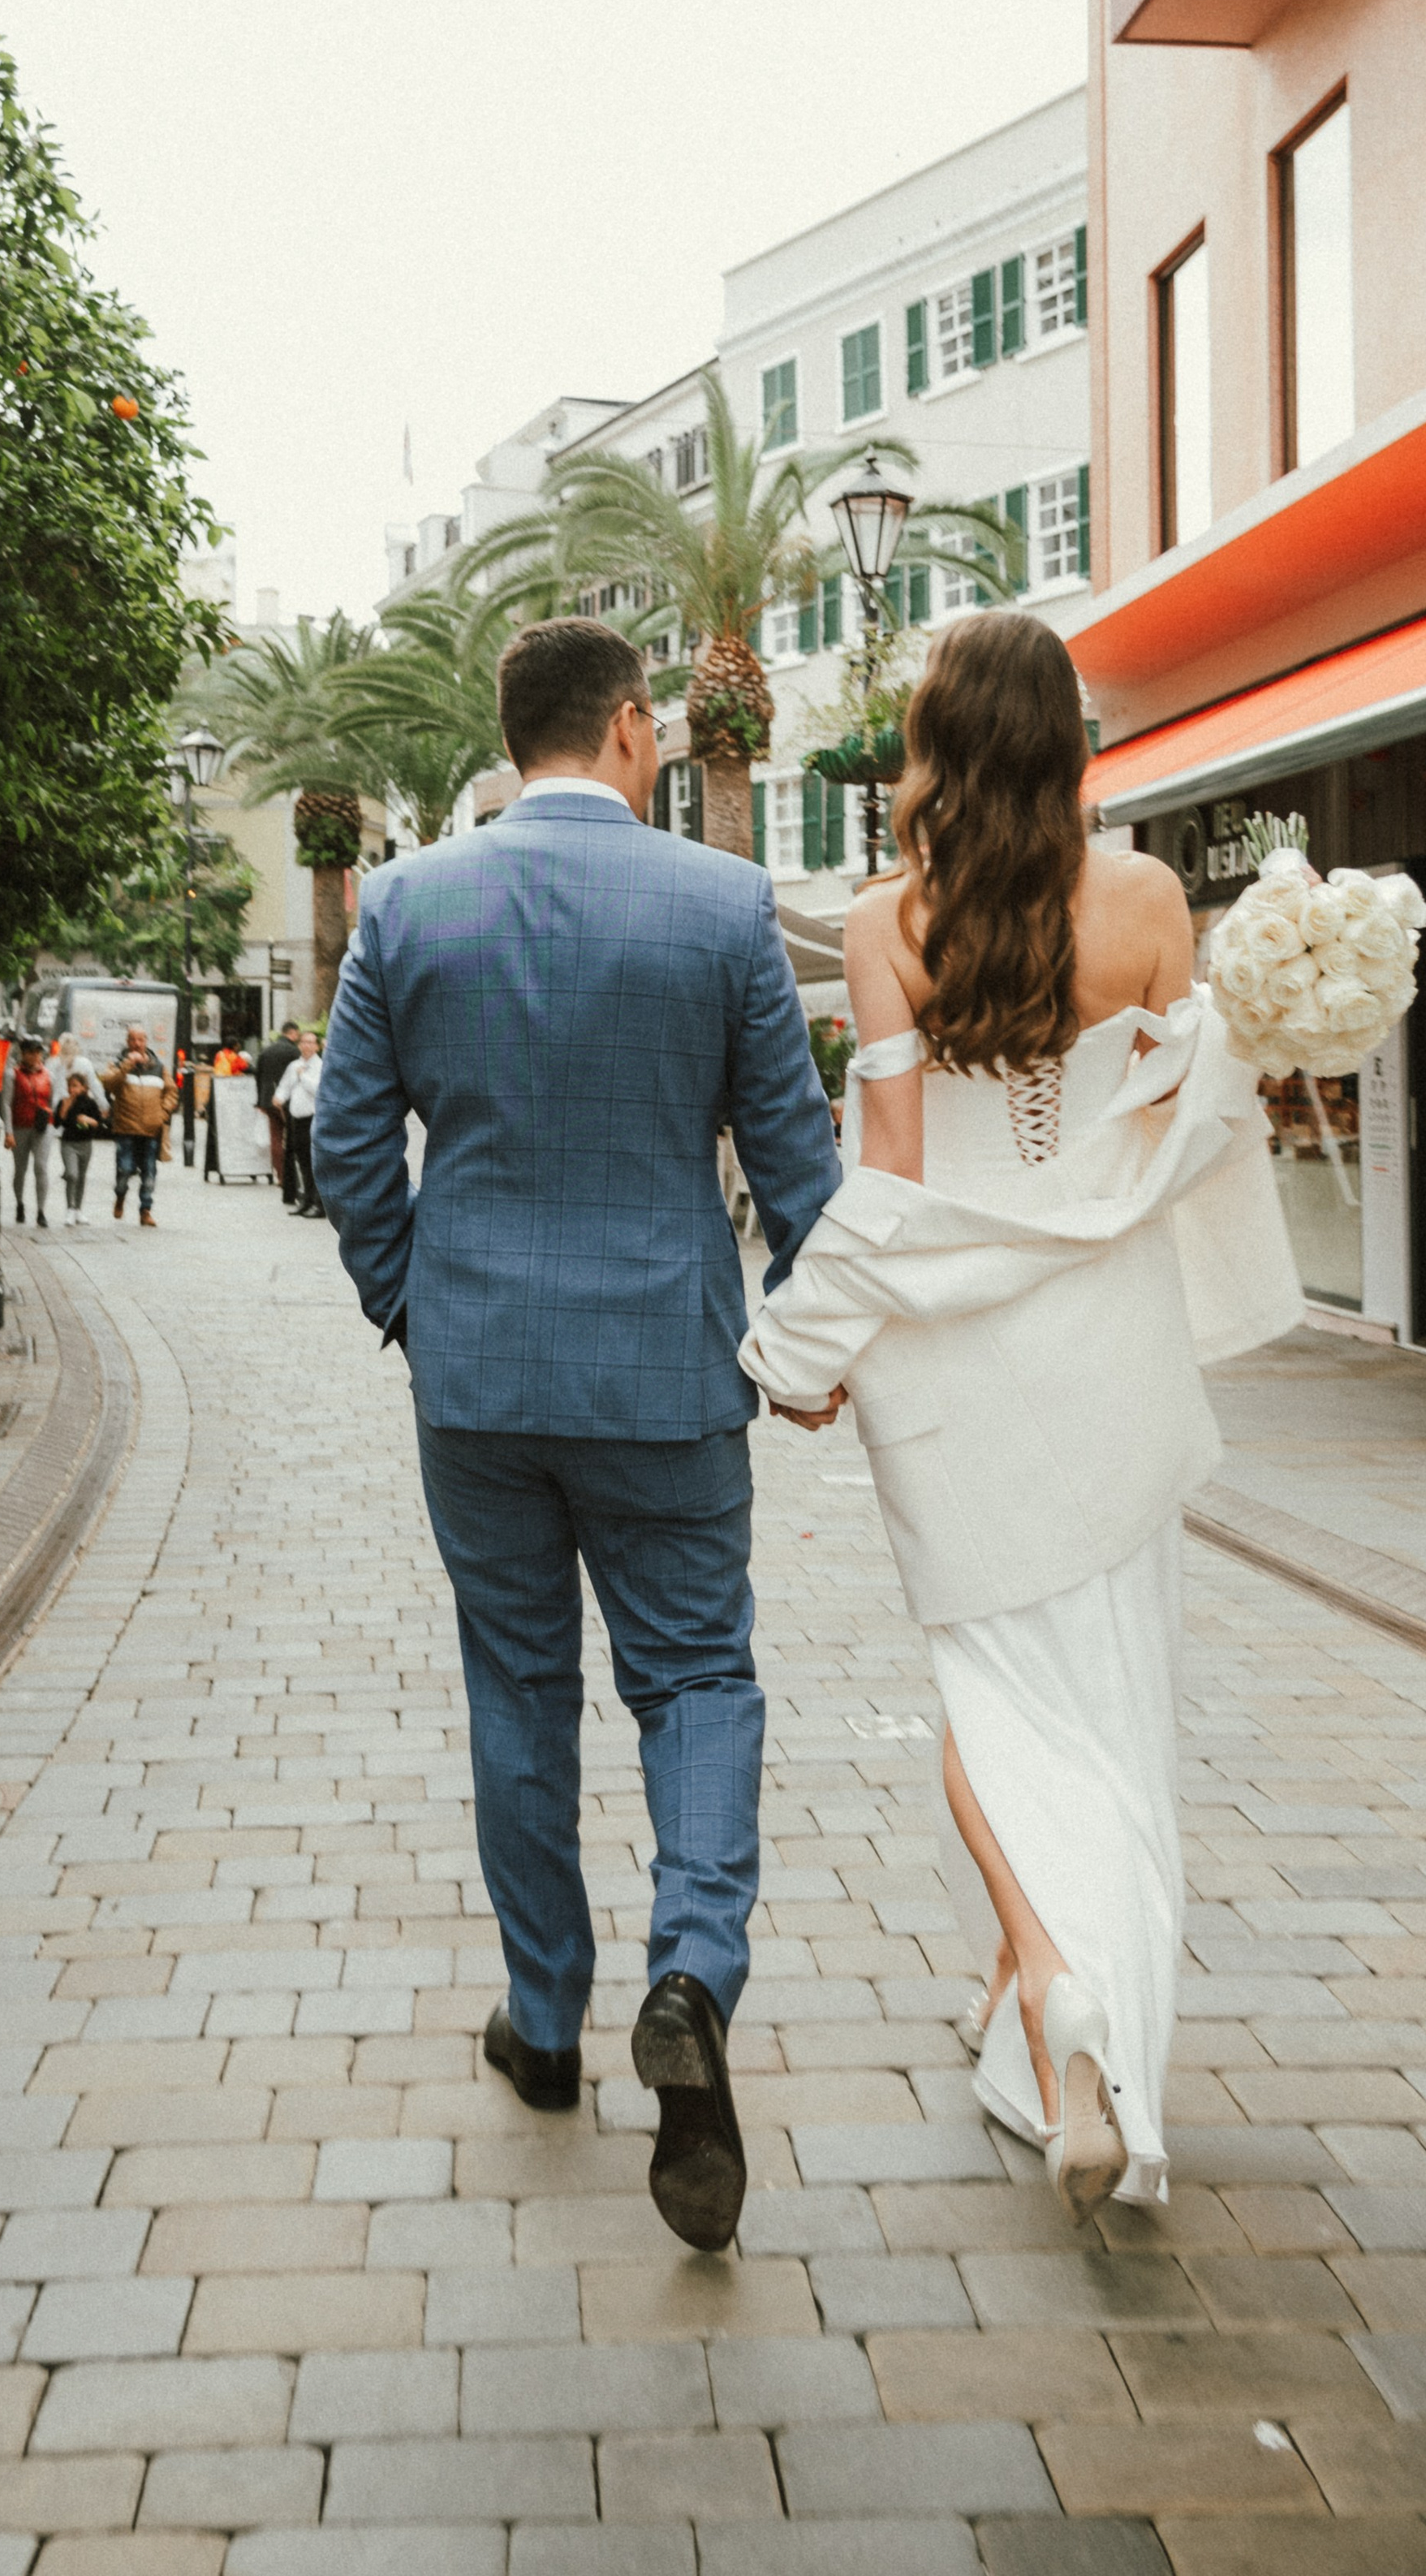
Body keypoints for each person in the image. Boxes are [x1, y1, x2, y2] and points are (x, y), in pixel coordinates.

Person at [739, 610, 1301, 2224]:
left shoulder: (882, 922)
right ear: (1064, 743)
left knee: (992, 1705)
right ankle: (1072, 2030)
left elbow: (895, 1185)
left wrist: (801, 1353)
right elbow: (1170, 1137)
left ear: (930, 752)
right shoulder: (1142, 901)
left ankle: (1046, 1979)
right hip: (1111, 1351)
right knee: (1114, 1702)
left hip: (956, 1372)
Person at [314, 616, 842, 2255]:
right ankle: (692, 1969)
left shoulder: (402, 904)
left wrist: (416, 1305)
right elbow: (797, 1164)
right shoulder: (718, 904)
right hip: (666, 1374)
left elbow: (345, 1146)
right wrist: (800, 1339)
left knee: (515, 1684)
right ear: (629, 729)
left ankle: (546, 2026)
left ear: (511, 729)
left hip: (475, 1382)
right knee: (693, 1675)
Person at [105, 1026, 177, 1226]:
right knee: (125, 1169)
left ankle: (145, 1210)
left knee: (149, 1172)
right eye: (133, 1040)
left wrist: (162, 1113)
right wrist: (127, 1065)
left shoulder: (159, 1067)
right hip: (125, 1128)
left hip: (151, 1130)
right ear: (127, 1042)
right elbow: (109, 1084)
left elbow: (171, 1092)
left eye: (141, 1040)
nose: (137, 1044)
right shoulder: (118, 1064)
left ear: (146, 1041)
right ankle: (120, 1196)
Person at [2, 1036, 56, 1227]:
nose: (35, 1056)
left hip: (43, 1126)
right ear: (23, 1054)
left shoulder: (49, 1075)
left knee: (41, 1166)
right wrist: (8, 1131)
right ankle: (19, 1203)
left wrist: (51, 1116)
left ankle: (41, 1210)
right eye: (31, 1052)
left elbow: (53, 1101)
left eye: (38, 1052)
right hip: (20, 1126)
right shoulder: (12, 1074)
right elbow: (6, 1104)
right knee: (21, 1169)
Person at [274, 1031, 322, 1216]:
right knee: (301, 1161)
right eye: (303, 1042)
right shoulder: (294, 1065)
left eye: (311, 1042)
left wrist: (303, 1077)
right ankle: (306, 1200)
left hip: (312, 1119)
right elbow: (285, 1086)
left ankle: (318, 1204)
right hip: (296, 1120)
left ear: (316, 1046)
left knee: (313, 1162)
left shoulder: (320, 1066)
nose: (307, 1046)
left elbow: (319, 1090)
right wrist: (279, 1097)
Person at [55, 1066, 110, 1226]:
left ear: (84, 1088)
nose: (72, 1089)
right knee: (72, 1175)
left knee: (81, 1177)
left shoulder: (90, 1103)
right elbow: (59, 1122)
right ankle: (70, 1209)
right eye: (70, 1086)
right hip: (68, 1143)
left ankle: (78, 1209)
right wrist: (66, 1105)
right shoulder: (64, 1102)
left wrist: (88, 1120)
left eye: (76, 1086)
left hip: (85, 1143)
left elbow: (100, 1124)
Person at [255, 1020, 301, 1187]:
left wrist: (260, 1100)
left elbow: (258, 1075)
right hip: (287, 1100)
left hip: (267, 1099)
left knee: (275, 1137)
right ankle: (291, 1177)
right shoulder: (294, 1051)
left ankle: (280, 1175)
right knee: (292, 1136)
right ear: (293, 1033)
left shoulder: (266, 1050)